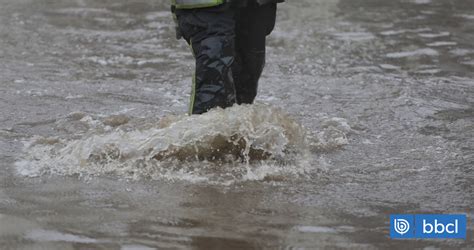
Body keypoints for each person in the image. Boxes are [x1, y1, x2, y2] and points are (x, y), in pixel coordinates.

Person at [171, 0, 284, 115]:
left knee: (245, 83)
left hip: (255, 5)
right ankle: (203, 129)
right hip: (207, 8)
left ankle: (233, 129)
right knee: (214, 85)